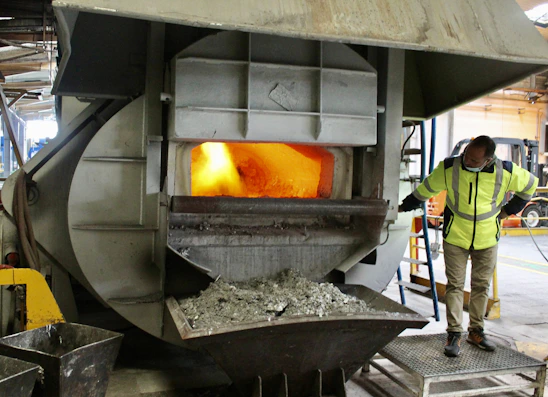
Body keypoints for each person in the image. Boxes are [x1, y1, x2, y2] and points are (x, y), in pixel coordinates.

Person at [398, 135, 538, 357]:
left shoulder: (506, 171)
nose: (467, 161)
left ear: (488, 160)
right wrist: (403, 206)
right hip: (456, 236)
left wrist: (507, 212)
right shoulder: (450, 167)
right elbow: (425, 189)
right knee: (455, 285)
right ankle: (454, 333)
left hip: (487, 238)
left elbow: (531, 184)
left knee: (481, 286)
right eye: (466, 155)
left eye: (474, 160)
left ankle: (476, 331)